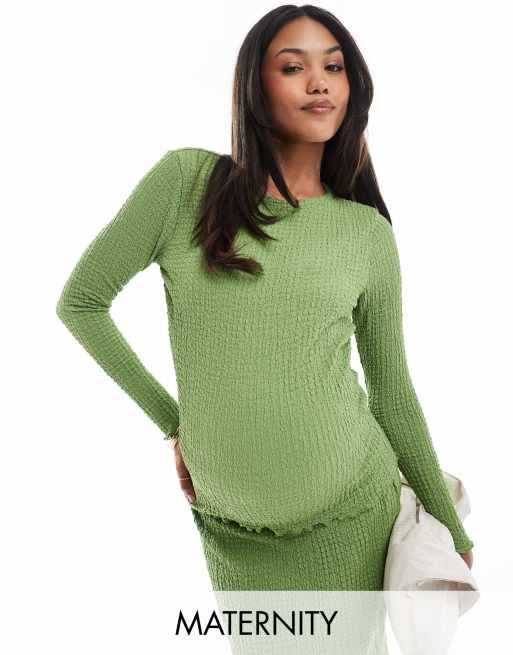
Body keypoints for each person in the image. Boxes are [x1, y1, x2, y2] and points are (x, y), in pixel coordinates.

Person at [56, 5, 474, 600]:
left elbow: (391, 390)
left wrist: (449, 524)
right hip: (232, 530)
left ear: (353, 86)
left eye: (334, 66)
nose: (319, 82)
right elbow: (82, 303)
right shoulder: (186, 184)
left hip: (353, 515)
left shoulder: (365, 232)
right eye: (293, 67)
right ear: (255, 86)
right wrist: (175, 425)